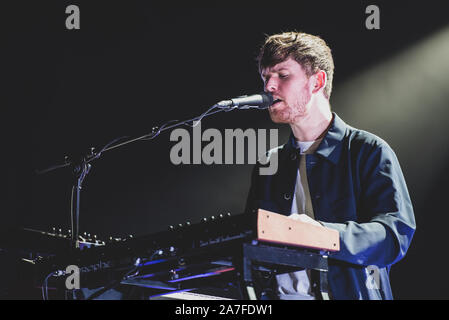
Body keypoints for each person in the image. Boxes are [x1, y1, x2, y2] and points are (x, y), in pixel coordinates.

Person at [245, 31, 416, 300]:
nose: (269, 86)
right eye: (266, 77)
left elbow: (393, 236)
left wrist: (322, 234)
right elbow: (253, 247)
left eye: (282, 75)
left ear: (317, 81)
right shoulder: (269, 163)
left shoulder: (368, 150)